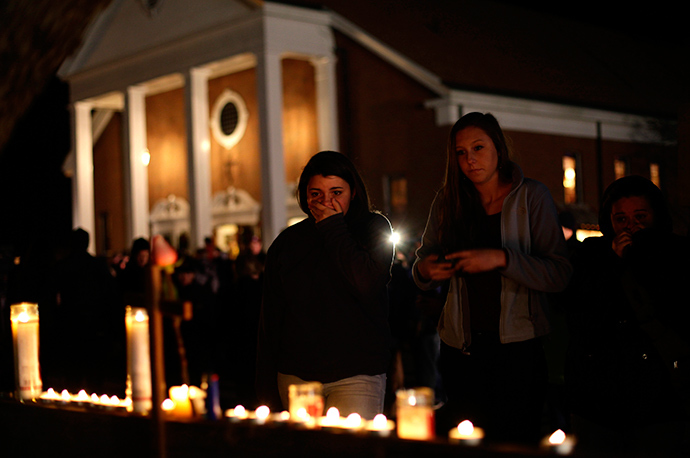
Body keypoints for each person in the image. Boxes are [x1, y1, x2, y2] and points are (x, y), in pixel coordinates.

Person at [412, 112, 572, 444]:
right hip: (461, 348)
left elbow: (559, 273)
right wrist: (427, 271)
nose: (470, 160)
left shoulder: (531, 197)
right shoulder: (448, 201)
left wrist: (501, 259)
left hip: (519, 350)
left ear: (498, 148)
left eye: (478, 147)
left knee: (514, 441)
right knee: (467, 442)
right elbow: (421, 265)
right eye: (460, 152)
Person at [256, 150, 394, 419]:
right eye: (316, 194)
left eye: (336, 192)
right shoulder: (288, 243)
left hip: (357, 373)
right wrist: (265, 389)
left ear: (352, 192)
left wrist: (332, 226)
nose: (326, 202)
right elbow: (271, 317)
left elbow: (365, 282)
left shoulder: (373, 228)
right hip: (296, 374)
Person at [564, 175, 690, 454]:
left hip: (660, 400)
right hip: (599, 401)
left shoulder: (677, 254)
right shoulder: (592, 256)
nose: (631, 226)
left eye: (640, 217)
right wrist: (613, 263)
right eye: (621, 219)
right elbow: (580, 310)